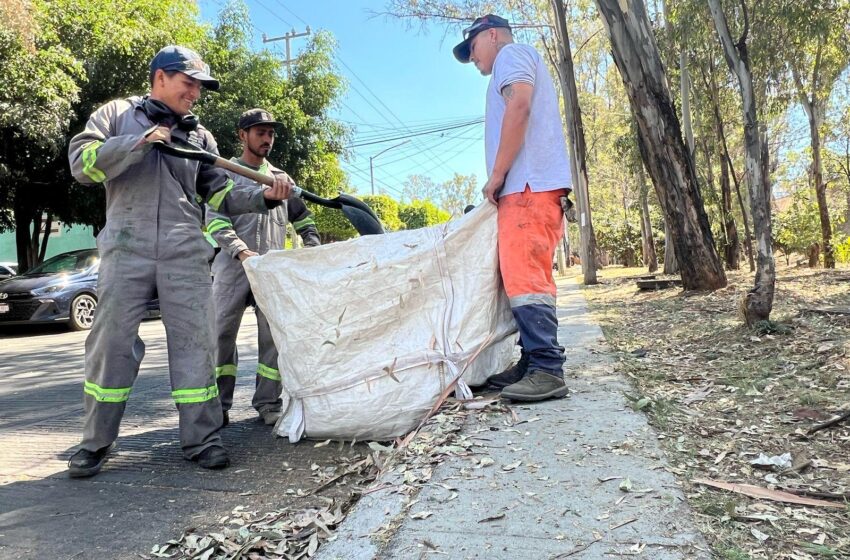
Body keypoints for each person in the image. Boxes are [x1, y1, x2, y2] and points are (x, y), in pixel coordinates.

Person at [66, 46, 293, 477]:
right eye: (189, 84)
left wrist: (262, 196)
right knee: (111, 346)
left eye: (198, 88)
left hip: (184, 250)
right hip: (125, 247)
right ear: (160, 78)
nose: (195, 94)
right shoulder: (116, 114)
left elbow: (220, 193)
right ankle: (95, 444)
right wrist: (138, 142)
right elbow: (82, 165)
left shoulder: (199, 137)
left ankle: (202, 440)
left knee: (196, 345)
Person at [453, 15, 571, 402]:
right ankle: (533, 360)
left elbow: (518, 105)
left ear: (491, 35)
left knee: (526, 280)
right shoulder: (512, 60)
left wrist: (497, 175)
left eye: (472, 48)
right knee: (521, 277)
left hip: (526, 186)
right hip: (531, 187)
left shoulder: (511, 54)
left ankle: (547, 369)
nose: (472, 59)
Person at [207, 108, 321, 428]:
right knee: (220, 336)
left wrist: (311, 244)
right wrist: (240, 250)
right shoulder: (225, 173)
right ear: (243, 135)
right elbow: (214, 218)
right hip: (233, 268)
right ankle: (219, 404)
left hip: (272, 270)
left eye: (270, 133)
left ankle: (268, 403)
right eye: (260, 132)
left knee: (273, 340)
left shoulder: (282, 180)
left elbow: (302, 216)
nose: (267, 139)